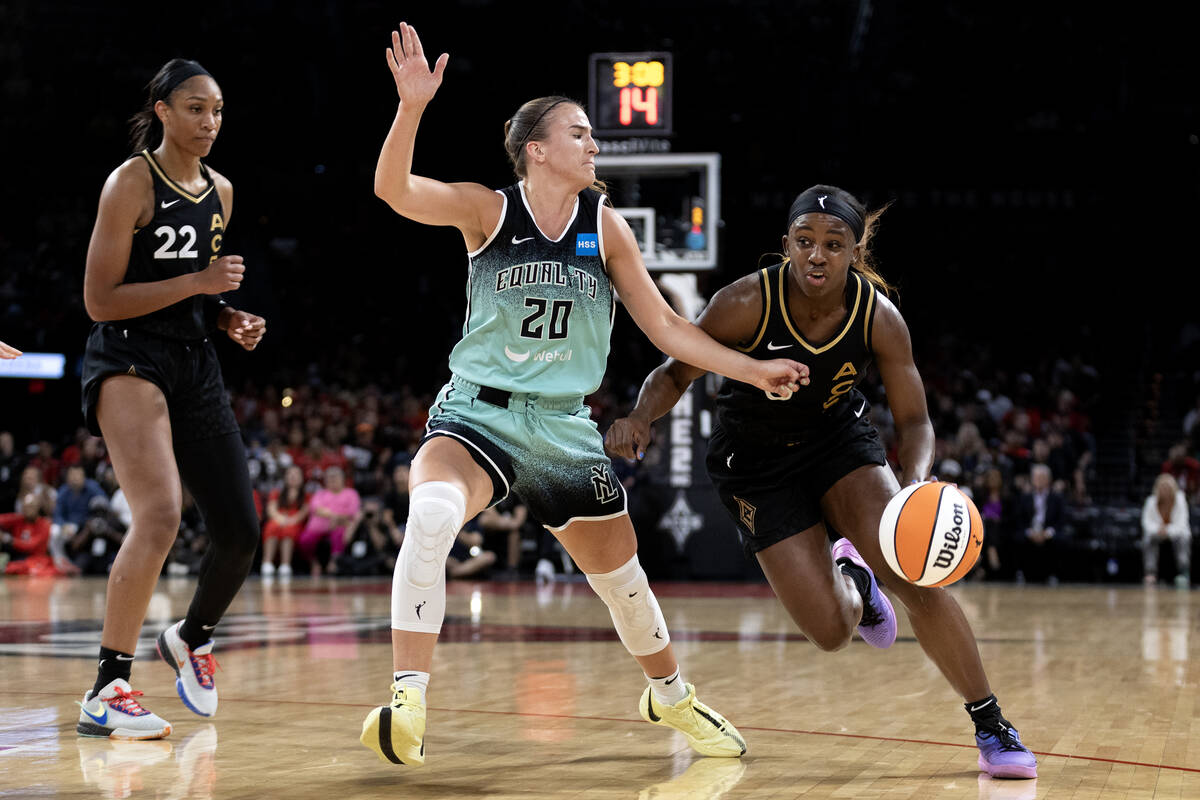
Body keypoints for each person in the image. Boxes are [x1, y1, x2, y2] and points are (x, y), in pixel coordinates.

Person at [359, 22, 807, 767]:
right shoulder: (488, 211)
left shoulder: (609, 229)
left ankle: (670, 697)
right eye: (580, 133)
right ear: (537, 149)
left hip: (564, 429)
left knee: (622, 582)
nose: (594, 144)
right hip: (479, 412)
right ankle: (408, 698)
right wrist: (411, 108)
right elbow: (392, 189)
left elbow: (666, 326)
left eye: (593, 134)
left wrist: (753, 370)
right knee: (433, 514)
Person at [606, 184, 1038, 780]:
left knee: (914, 574)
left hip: (840, 445)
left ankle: (990, 723)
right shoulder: (744, 303)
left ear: (855, 253)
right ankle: (854, 582)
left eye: (834, 245)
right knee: (831, 632)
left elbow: (914, 421)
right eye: (805, 241)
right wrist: (638, 416)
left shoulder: (878, 317)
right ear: (785, 245)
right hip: (755, 466)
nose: (817, 255)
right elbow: (674, 371)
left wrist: (913, 488)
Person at [74, 58, 265, 740]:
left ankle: (191, 636)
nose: (209, 121)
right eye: (194, 108)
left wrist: (225, 316)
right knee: (158, 514)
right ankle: (106, 686)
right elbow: (100, 300)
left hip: (194, 359)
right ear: (161, 109)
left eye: (217, 110)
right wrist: (201, 287)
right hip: (128, 353)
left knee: (241, 532)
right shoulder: (131, 182)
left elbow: (195, 286)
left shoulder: (223, 190)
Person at [297, 465, 360, 575]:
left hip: (340, 526)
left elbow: (352, 512)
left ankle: (334, 562)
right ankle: (314, 563)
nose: (333, 480)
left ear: (343, 479)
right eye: (330, 478)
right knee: (305, 540)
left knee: (339, 534)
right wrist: (335, 516)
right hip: (318, 527)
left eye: (336, 477)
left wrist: (334, 517)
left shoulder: (351, 493)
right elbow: (316, 508)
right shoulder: (320, 494)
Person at [1013, 463, 1066, 585]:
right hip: (1030, 531)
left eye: (1042, 477)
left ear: (1049, 480)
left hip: (1048, 532)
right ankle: (1020, 572)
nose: (1039, 480)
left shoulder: (1057, 498)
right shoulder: (1025, 497)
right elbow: (1019, 520)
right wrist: (1030, 532)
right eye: (1036, 477)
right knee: (1018, 537)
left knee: (1060, 539)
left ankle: (1054, 575)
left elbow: (1061, 521)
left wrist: (1048, 533)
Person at [1141, 473, 1191, 588]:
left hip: (1177, 533)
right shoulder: (1150, 501)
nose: (1165, 491)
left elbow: (1182, 524)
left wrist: (1166, 530)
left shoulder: (1181, 500)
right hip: (1157, 533)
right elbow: (1146, 523)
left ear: (1173, 488)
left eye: (1167, 488)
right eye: (1162, 488)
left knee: (1184, 538)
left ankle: (1183, 572)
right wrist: (1158, 529)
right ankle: (1150, 573)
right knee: (1148, 539)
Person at [260, 463, 310, 578]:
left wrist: (292, 520)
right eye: (290, 474)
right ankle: (267, 563)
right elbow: (271, 508)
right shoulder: (276, 492)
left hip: (296, 522)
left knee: (289, 531)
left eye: (296, 474)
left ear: (302, 478)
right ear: (285, 477)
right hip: (278, 518)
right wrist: (280, 518)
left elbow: (304, 511)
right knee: (271, 527)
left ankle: (285, 564)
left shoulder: (306, 495)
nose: (293, 476)